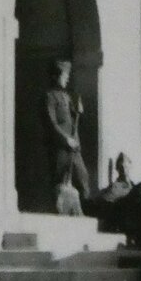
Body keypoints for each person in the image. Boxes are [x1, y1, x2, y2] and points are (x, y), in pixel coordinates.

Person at [44, 60, 91, 209]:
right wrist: (65, 139)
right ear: (55, 76)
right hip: (60, 148)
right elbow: (51, 122)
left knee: (82, 177)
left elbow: (73, 119)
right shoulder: (49, 97)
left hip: (74, 147)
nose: (67, 78)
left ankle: (85, 211)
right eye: (64, 75)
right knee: (59, 183)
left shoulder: (66, 96)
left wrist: (78, 111)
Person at [91, 153, 134, 232]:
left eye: (126, 166)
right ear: (117, 169)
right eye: (121, 167)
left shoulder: (134, 186)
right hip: (119, 221)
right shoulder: (114, 187)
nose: (124, 170)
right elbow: (105, 200)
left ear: (130, 166)